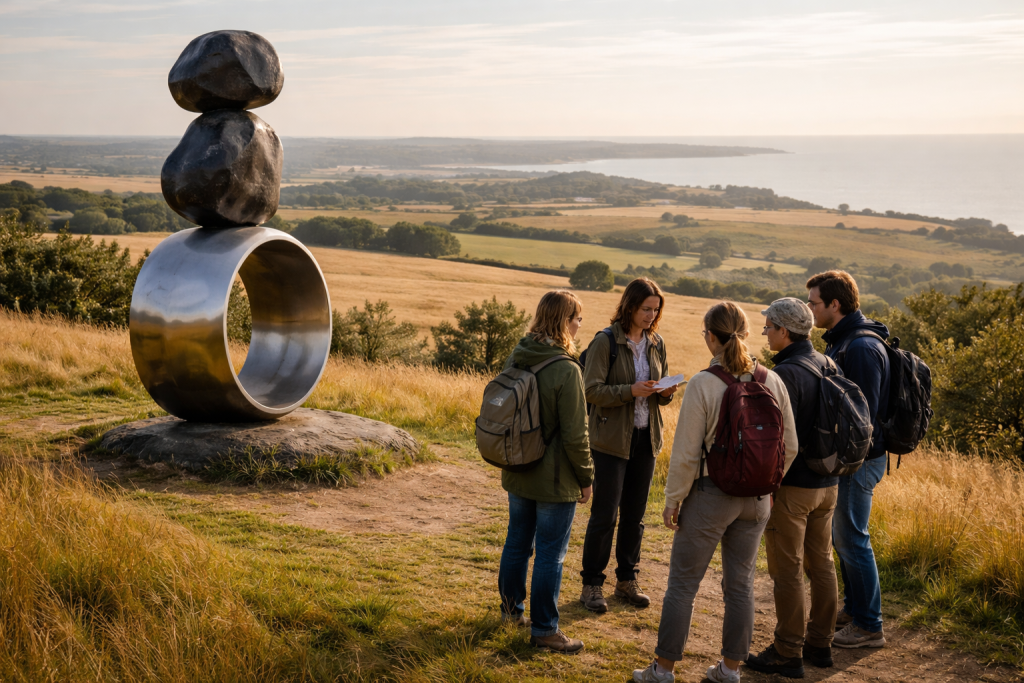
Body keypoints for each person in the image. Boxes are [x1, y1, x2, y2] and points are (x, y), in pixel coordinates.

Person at [634, 302, 798, 683]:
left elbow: (687, 454)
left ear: (711, 336)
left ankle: (663, 669)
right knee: (740, 585)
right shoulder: (772, 381)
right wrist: (767, 484)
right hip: (758, 501)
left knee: (682, 585)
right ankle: (729, 669)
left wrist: (673, 499)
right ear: (743, 333)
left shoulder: (704, 384)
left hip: (711, 495)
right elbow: (789, 446)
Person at [497, 290, 595, 654]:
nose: (580, 325)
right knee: (551, 554)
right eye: (577, 318)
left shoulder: (518, 355)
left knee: (517, 543)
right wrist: (586, 478)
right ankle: (544, 630)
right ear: (563, 321)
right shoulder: (566, 369)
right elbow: (576, 433)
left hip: (518, 467)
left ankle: (510, 614)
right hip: (554, 479)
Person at [746, 298, 839, 679]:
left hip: (794, 487)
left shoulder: (782, 373)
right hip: (829, 484)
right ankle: (821, 644)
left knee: (787, 571)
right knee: (823, 564)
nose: (765, 332)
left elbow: (777, 441)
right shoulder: (827, 362)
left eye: (768, 327)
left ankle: (787, 651)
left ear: (785, 331)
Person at [579, 277, 678, 613]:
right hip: (609, 441)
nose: (651, 315)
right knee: (604, 515)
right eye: (646, 308)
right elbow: (590, 391)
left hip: (645, 439)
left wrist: (664, 393)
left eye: (656, 309)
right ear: (630, 306)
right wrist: (629, 391)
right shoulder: (604, 342)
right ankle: (592, 583)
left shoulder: (657, 342)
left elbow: (655, 392)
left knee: (635, 516)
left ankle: (626, 580)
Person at [806, 270, 889, 649]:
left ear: (834, 304)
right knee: (844, 539)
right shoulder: (846, 341)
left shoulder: (860, 348)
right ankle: (855, 610)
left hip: (860, 461)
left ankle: (870, 625)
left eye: (814, 303)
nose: (810, 309)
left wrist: (842, 459)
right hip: (853, 461)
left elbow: (863, 417)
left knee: (853, 538)